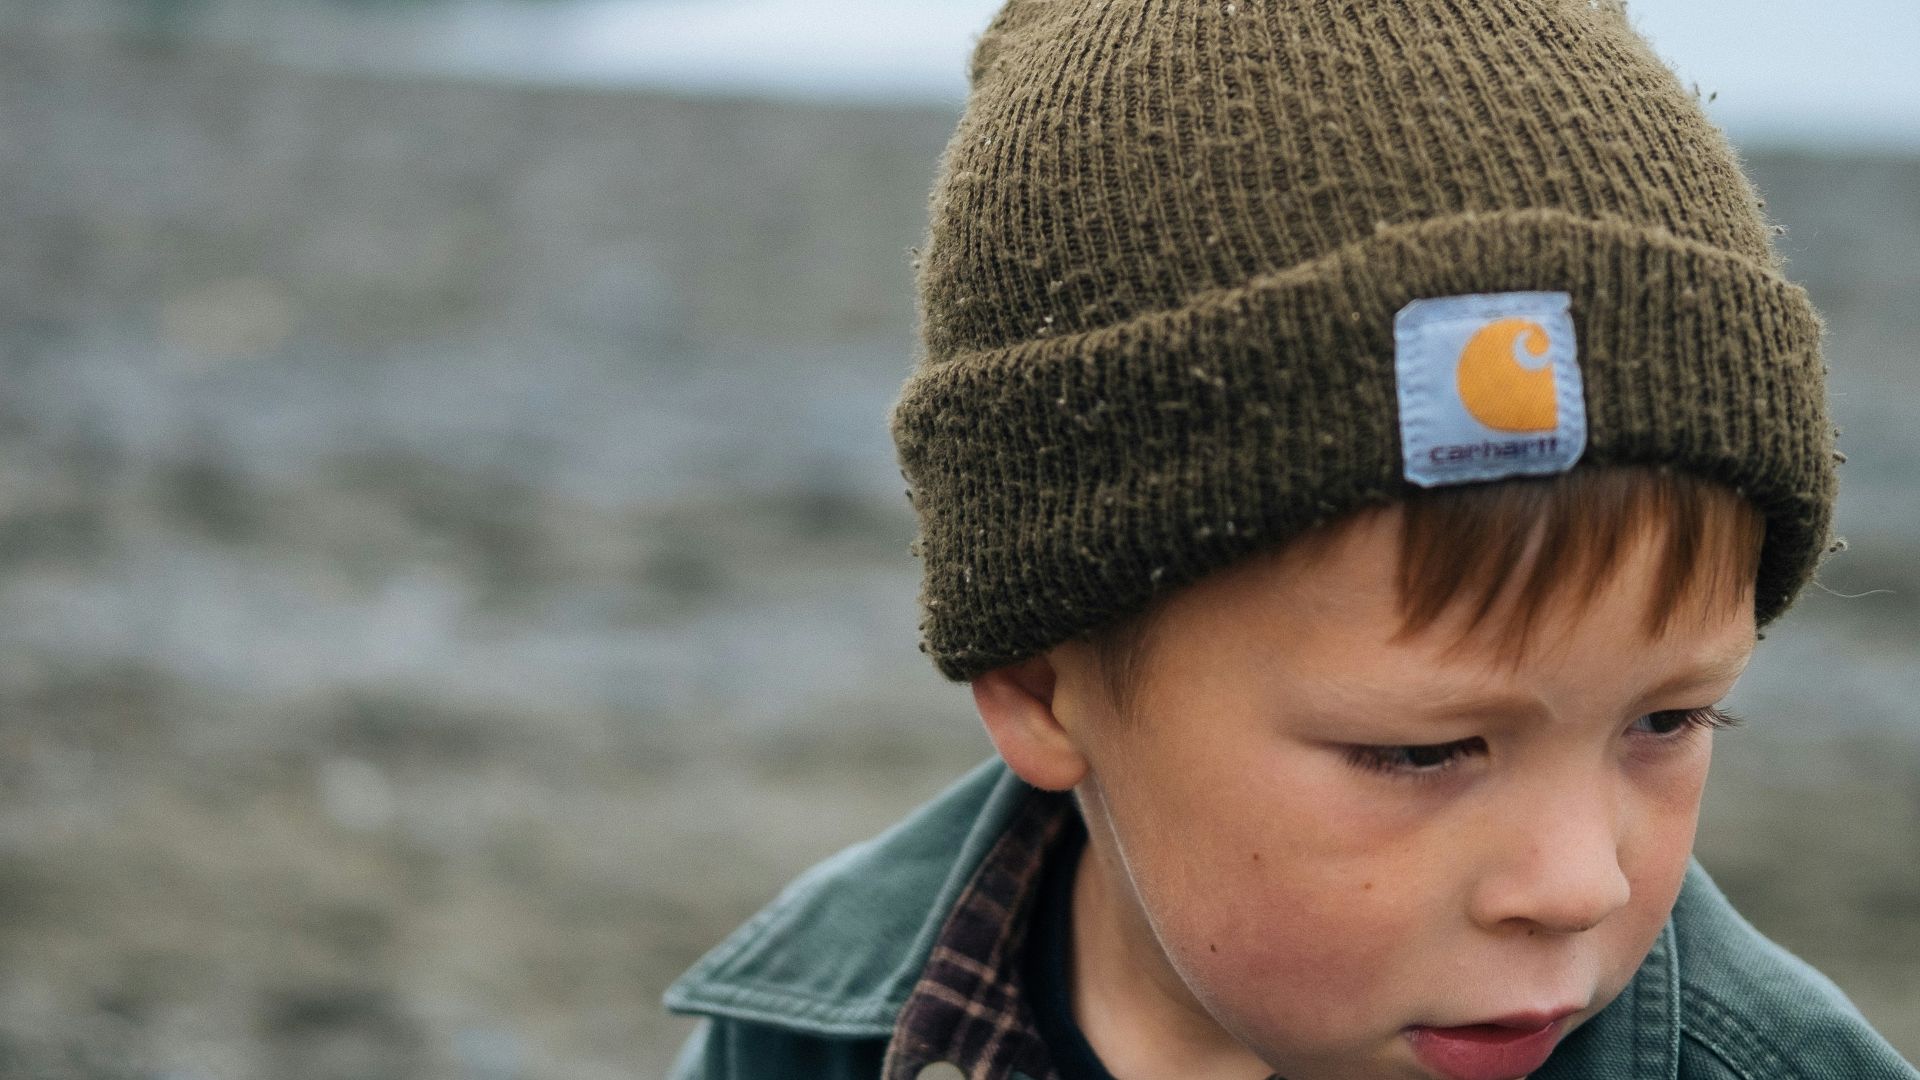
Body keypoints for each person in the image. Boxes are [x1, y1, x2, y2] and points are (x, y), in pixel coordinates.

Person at [663, 0, 1920, 1076]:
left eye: (1668, 721)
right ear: (1044, 679)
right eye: (1423, 752)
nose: (1575, 884)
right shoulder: (799, 1037)